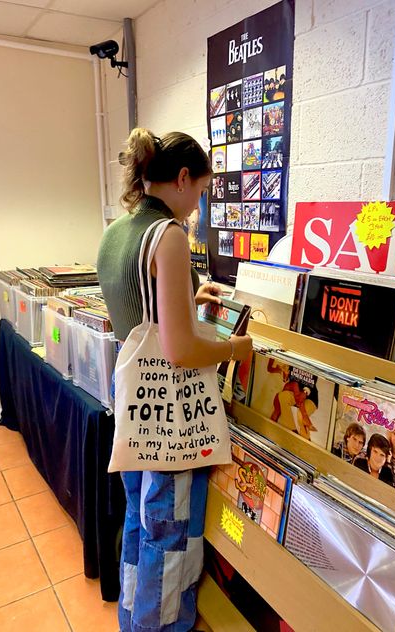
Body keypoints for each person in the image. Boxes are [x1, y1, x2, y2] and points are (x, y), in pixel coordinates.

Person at [97, 127, 252, 632]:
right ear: (182, 178)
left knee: (141, 520)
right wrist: (234, 347)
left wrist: (189, 297)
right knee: (168, 527)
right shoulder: (169, 236)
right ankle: (161, 626)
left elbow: (141, 315)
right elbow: (180, 350)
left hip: (131, 393)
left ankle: (133, 617)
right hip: (170, 403)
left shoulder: (117, 231)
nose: (199, 207)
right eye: (201, 193)